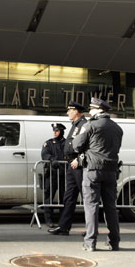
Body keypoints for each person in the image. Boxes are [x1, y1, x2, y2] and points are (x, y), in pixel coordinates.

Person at [72, 97, 123, 252]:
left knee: (91, 206)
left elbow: (76, 146)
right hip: (111, 171)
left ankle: (90, 242)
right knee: (111, 207)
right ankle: (114, 242)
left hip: (93, 170)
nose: (90, 112)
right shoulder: (117, 128)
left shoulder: (90, 125)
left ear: (97, 110)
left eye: (91, 109)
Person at [48, 101, 87, 236]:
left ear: (76, 111)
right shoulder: (75, 125)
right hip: (71, 165)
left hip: (79, 165)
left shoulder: (83, 125)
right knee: (69, 197)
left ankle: (90, 228)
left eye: (69, 110)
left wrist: (79, 158)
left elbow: (87, 144)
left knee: (87, 196)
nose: (67, 112)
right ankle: (64, 226)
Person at [41, 123, 66, 227]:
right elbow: (45, 154)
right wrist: (52, 159)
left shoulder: (67, 143)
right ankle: (49, 220)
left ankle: (63, 221)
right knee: (48, 197)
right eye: (54, 131)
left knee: (64, 198)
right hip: (52, 174)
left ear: (61, 132)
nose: (55, 133)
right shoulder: (49, 143)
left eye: (57, 131)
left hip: (64, 174)